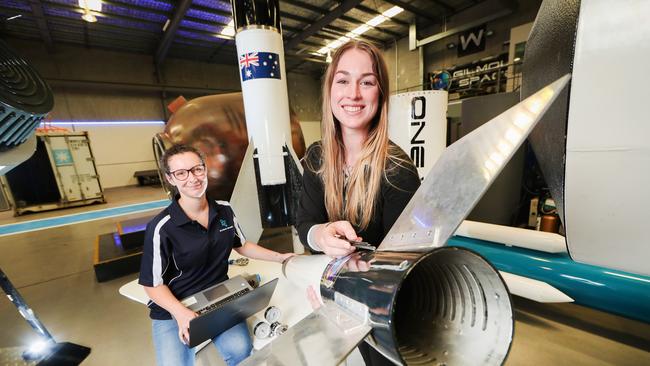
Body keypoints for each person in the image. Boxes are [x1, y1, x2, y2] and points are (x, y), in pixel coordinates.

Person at [295, 40, 420, 365]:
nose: (353, 94)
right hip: (331, 290)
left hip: (378, 305)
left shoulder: (398, 170)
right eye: (343, 80)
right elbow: (304, 221)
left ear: (380, 93)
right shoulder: (316, 157)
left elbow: (403, 262)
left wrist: (347, 295)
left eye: (366, 82)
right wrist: (319, 234)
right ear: (329, 91)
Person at [139, 144, 294, 366]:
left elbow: (241, 245)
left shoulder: (224, 210)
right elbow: (152, 285)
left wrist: (279, 257)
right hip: (175, 305)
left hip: (217, 295)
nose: (192, 178)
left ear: (205, 169)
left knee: (241, 349)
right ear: (170, 179)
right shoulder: (161, 227)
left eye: (197, 169)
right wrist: (181, 314)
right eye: (181, 173)